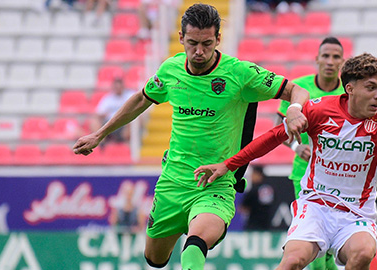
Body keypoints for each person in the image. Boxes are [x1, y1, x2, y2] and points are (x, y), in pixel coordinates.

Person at [73, 4, 310, 270]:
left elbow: (297, 90)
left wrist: (293, 110)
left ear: (218, 39)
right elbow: (142, 99)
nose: (199, 51)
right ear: (181, 38)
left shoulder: (240, 74)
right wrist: (100, 134)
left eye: (207, 44)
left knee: (196, 242)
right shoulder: (170, 70)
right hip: (173, 181)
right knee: (155, 259)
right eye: (193, 43)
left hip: (216, 181)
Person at [195, 53, 377, 270]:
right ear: (350, 89)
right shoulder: (320, 109)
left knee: (363, 253)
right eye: (371, 87)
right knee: (292, 261)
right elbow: (273, 137)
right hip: (316, 205)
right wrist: (228, 164)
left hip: (357, 212)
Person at [276, 36, 345, 270]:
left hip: (340, 178)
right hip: (304, 176)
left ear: (342, 62)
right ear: (317, 59)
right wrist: (297, 147)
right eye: (325, 56)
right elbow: (279, 128)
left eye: (336, 57)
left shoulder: (349, 92)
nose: (330, 61)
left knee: (332, 244)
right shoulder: (300, 89)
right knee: (314, 241)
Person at [93, 77, 135, 145]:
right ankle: (100, 144)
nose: (117, 88)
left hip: (124, 122)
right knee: (94, 120)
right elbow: (99, 113)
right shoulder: (108, 98)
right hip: (110, 123)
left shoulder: (130, 95)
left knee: (132, 121)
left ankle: (126, 142)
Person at [239, 166, 275, 230]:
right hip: (267, 223)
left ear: (259, 175)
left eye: (253, 174)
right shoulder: (270, 187)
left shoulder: (254, 190)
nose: (251, 176)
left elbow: (244, 207)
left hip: (253, 223)